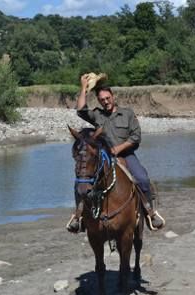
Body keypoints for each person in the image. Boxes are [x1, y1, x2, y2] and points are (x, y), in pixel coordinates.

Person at [67, 74, 163, 232]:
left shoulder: (127, 114)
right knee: (81, 180)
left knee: (142, 178)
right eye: (102, 99)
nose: (105, 101)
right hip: (104, 157)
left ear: (113, 96)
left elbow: (136, 136)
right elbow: (80, 109)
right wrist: (83, 88)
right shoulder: (98, 114)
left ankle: (149, 213)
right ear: (99, 101)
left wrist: (118, 149)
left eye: (107, 98)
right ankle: (79, 216)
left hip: (125, 155)